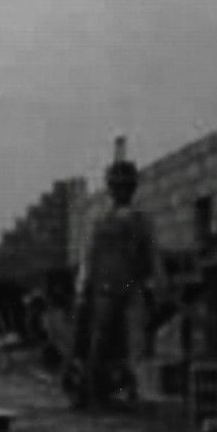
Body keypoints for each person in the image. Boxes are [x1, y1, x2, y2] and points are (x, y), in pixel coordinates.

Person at [69, 158, 162, 409]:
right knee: (98, 344)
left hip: (129, 289)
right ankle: (93, 394)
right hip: (106, 291)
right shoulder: (102, 221)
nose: (121, 190)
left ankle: (131, 393)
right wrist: (83, 289)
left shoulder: (139, 221)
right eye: (117, 185)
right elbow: (89, 257)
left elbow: (151, 255)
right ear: (111, 188)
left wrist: (156, 284)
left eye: (126, 185)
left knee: (134, 344)